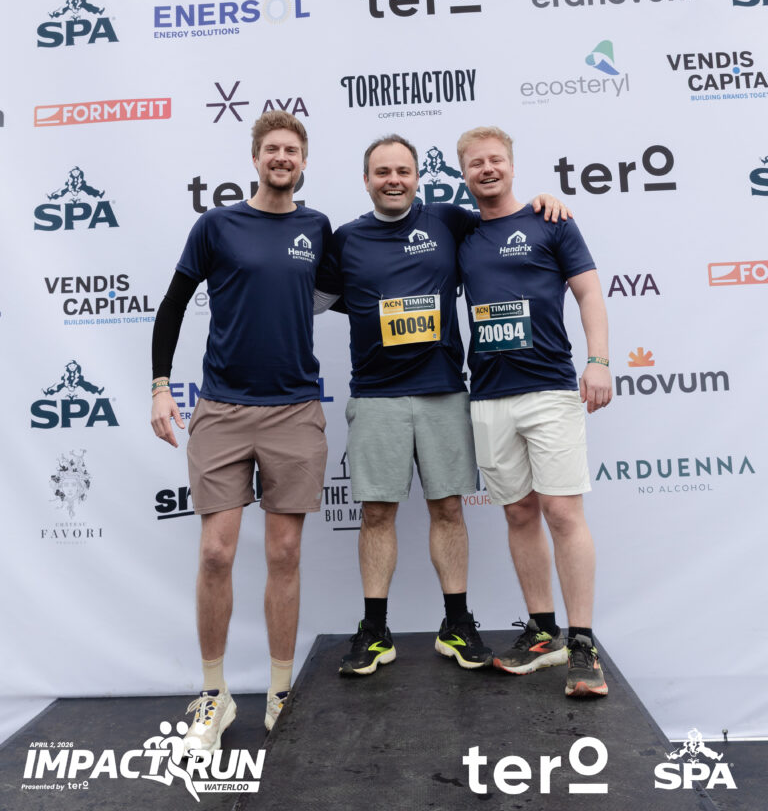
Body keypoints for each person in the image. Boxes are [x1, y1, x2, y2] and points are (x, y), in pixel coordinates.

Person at [326, 135, 568, 677]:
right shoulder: (347, 238)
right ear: (366, 180)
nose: (393, 180)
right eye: (382, 172)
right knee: (376, 513)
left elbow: (503, 224)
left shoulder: (448, 221)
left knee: (448, 509)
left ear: (418, 178)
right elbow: (318, 299)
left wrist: (543, 204)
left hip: (443, 389)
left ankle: (456, 624)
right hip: (376, 395)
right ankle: (375, 631)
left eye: (403, 171)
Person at [150, 110, 333, 745]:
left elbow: (342, 292)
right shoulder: (217, 225)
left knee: (284, 553)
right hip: (222, 410)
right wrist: (159, 385)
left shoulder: (316, 228)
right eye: (271, 149)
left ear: (303, 162)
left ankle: (280, 693)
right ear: (255, 159)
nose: (282, 158)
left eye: (292, 150)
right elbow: (173, 303)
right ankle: (214, 695)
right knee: (215, 553)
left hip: (295, 409)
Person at [456, 126, 612, 699]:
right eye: (476, 163)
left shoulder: (551, 220)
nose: (487, 169)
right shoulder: (460, 233)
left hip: (548, 389)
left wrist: (598, 360)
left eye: (496, 159)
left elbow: (589, 292)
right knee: (519, 514)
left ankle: (583, 641)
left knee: (563, 513)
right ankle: (544, 633)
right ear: (463, 174)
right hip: (488, 395)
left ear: (512, 166)